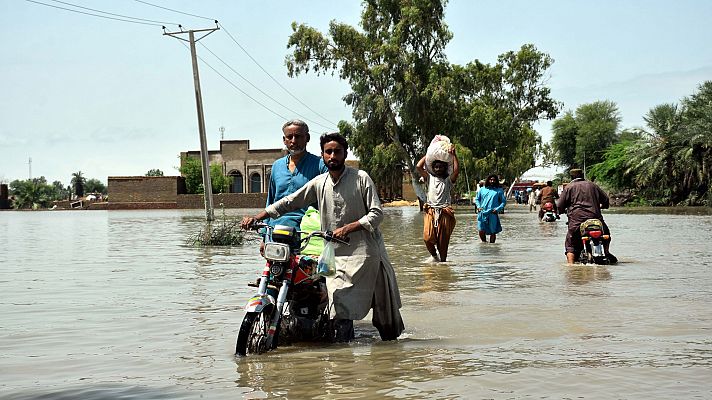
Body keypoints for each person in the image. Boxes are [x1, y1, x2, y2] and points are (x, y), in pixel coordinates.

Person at [241, 133, 405, 342]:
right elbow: (290, 201)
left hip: (366, 254)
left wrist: (348, 228)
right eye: (329, 152)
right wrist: (258, 217)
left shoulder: (361, 178)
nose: (333, 155)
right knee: (339, 306)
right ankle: (343, 357)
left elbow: (376, 213)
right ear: (323, 155)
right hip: (335, 256)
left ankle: (389, 358)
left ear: (345, 154)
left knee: (385, 315)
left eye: (337, 151)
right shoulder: (320, 182)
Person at [265, 119, 328, 230]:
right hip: (275, 229)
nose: (293, 141)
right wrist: (264, 234)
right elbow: (270, 200)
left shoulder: (320, 165)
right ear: (284, 140)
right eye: (289, 137)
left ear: (307, 138)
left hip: (307, 231)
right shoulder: (276, 166)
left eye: (298, 136)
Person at [557, 169, 617, 264]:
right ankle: (606, 252)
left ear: (571, 177)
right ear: (582, 175)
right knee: (606, 235)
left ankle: (571, 267)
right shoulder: (592, 185)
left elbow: (560, 205)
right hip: (596, 219)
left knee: (571, 244)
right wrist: (603, 206)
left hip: (576, 221)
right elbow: (605, 199)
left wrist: (560, 212)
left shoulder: (569, 187)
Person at [416, 144, 460, 262]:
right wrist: (429, 155)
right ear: (433, 168)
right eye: (436, 167)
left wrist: (454, 155)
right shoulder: (430, 178)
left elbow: (456, 171)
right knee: (427, 237)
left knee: (443, 242)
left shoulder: (448, 180)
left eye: (441, 167)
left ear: (445, 168)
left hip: (445, 212)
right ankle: (434, 256)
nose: (438, 169)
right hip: (431, 211)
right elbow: (418, 167)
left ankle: (443, 266)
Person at [475, 174, 506, 243]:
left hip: (493, 213)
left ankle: (492, 247)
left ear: (496, 181)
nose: (492, 181)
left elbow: (503, 202)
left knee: (493, 231)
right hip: (482, 213)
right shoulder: (482, 189)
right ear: (488, 180)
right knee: (481, 229)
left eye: (494, 180)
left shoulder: (499, 190)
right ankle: (484, 244)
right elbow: (477, 199)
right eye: (491, 179)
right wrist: (478, 207)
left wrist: (498, 209)